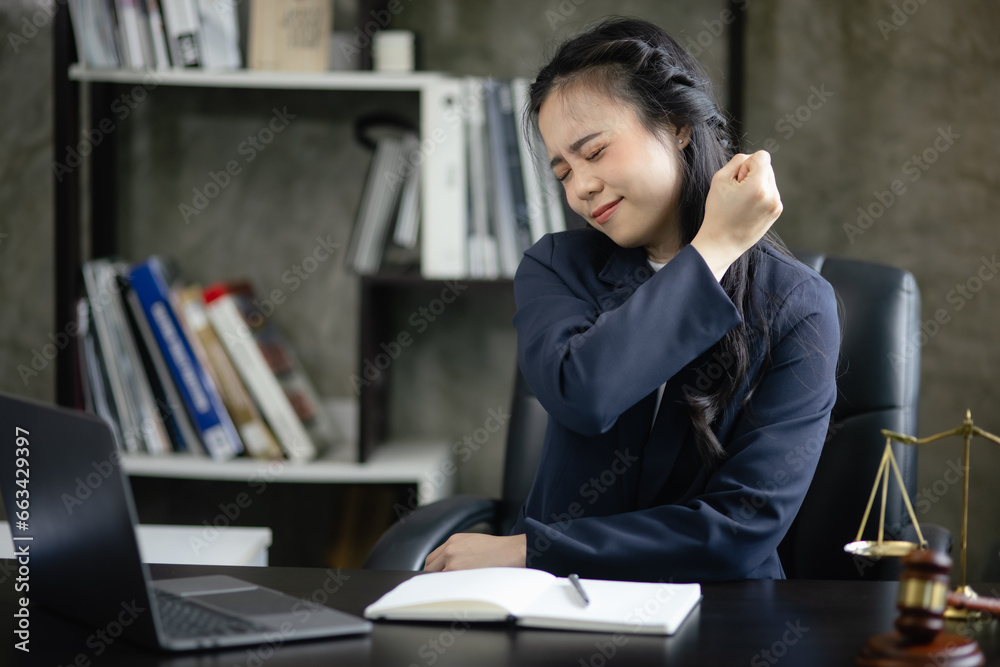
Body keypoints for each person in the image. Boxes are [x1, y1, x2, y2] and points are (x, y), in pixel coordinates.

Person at [424, 16, 840, 582]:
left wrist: (532, 550)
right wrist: (710, 254)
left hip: (719, 620)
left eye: (594, 152)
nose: (580, 188)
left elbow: (741, 528)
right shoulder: (557, 267)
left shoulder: (798, 304)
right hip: (558, 607)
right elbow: (586, 392)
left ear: (677, 126)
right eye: (563, 171)